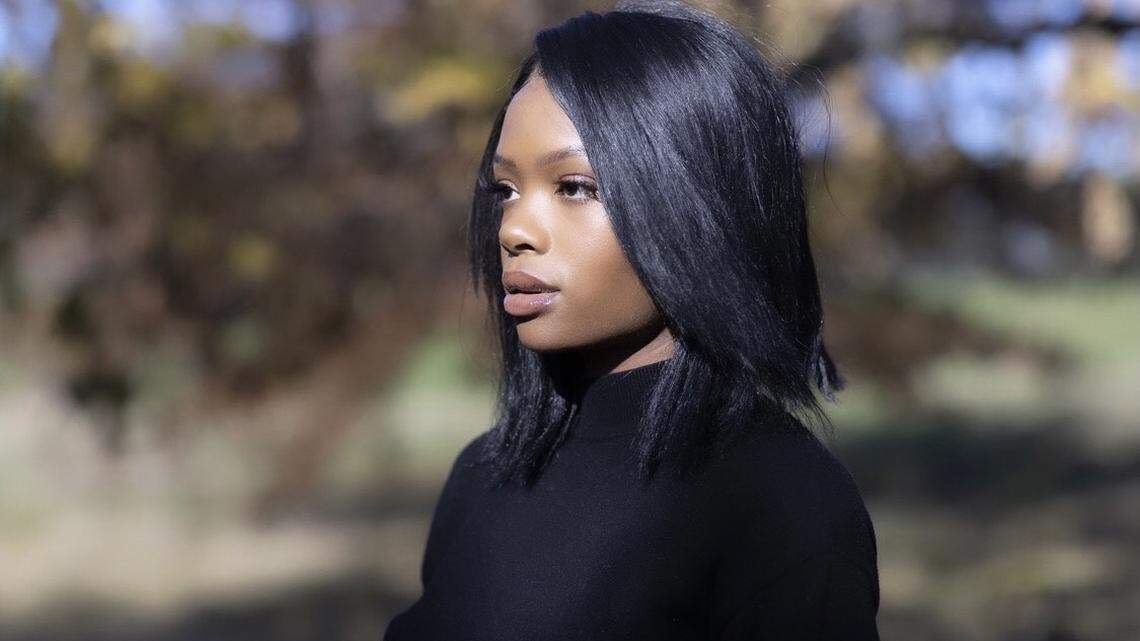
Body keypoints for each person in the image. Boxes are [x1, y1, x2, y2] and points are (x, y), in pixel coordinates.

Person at [383, 1, 880, 638]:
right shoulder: (483, 473)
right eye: (505, 190)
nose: (514, 229)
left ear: (696, 204)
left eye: (574, 187)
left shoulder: (784, 504)